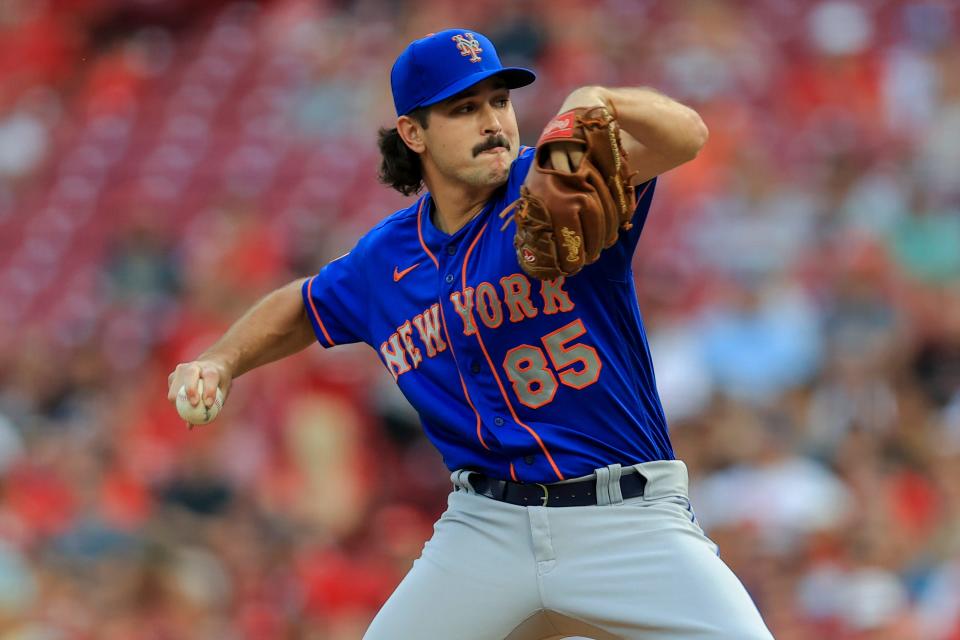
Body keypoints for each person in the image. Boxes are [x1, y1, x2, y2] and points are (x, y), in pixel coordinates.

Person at [167, 28, 774, 640]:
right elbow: (301, 306)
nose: (492, 122)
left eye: (499, 102)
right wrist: (220, 361)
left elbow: (687, 136)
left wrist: (599, 100)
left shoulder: (552, 179)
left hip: (627, 519)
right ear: (413, 133)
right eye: (464, 109)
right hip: (486, 528)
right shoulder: (386, 259)